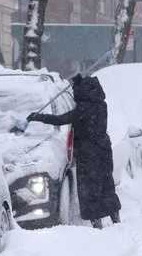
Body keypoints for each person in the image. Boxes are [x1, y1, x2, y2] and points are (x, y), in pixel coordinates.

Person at [27, 73, 121, 229]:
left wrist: (38, 117)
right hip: (103, 150)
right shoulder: (101, 105)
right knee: (106, 184)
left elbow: (61, 120)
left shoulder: (83, 109)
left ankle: (96, 221)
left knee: (89, 188)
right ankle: (115, 217)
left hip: (87, 152)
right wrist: (80, 83)